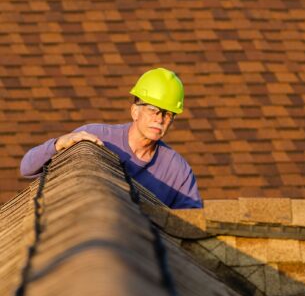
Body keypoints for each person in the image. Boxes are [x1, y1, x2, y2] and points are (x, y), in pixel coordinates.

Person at [20, 68, 203, 209]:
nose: (160, 119)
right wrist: (59, 144)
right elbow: (27, 168)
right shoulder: (95, 137)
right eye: (154, 110)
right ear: (135, 111)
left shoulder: (178, 171)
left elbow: (194, 223)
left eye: (168, 114)